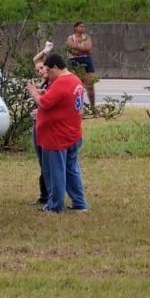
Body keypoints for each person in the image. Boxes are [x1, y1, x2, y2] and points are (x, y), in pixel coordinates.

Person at [26, 54, 88, 214]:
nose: (46, 74)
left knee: (56, 171)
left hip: (57, 135)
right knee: (71, 168)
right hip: (72, 132)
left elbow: (44, 103)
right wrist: (42, 91)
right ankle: (79, 203)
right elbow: (56, 98)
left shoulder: (61, 82)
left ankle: (55, 204)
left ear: (55, 68)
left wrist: (34, 92)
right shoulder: (74, 80)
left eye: (48, 70)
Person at [30, 40, 54, 205]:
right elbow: (35, 60)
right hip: (37, 125)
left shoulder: (53, 83)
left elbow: (49, 104)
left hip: (46, 126)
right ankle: (44, 195)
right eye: (38, 70)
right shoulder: (45, 83)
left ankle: (49, 195)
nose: (39, 71)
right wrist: (44, 50)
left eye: (42, 68)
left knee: (47, 163)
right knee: (42, 161)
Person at [65, 22, 96, 110]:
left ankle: (93, 107)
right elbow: (72, 52)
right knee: (76, 86)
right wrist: (83, 49)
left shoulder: (86, 37)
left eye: (84, 27)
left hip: (87, 60)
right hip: (74, 61)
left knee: (90, 86)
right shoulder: (71, 38)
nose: (82, 28)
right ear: (75, 28)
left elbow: (88, 49)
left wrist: (76, 47)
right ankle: (76, 108)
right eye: (80, 26)